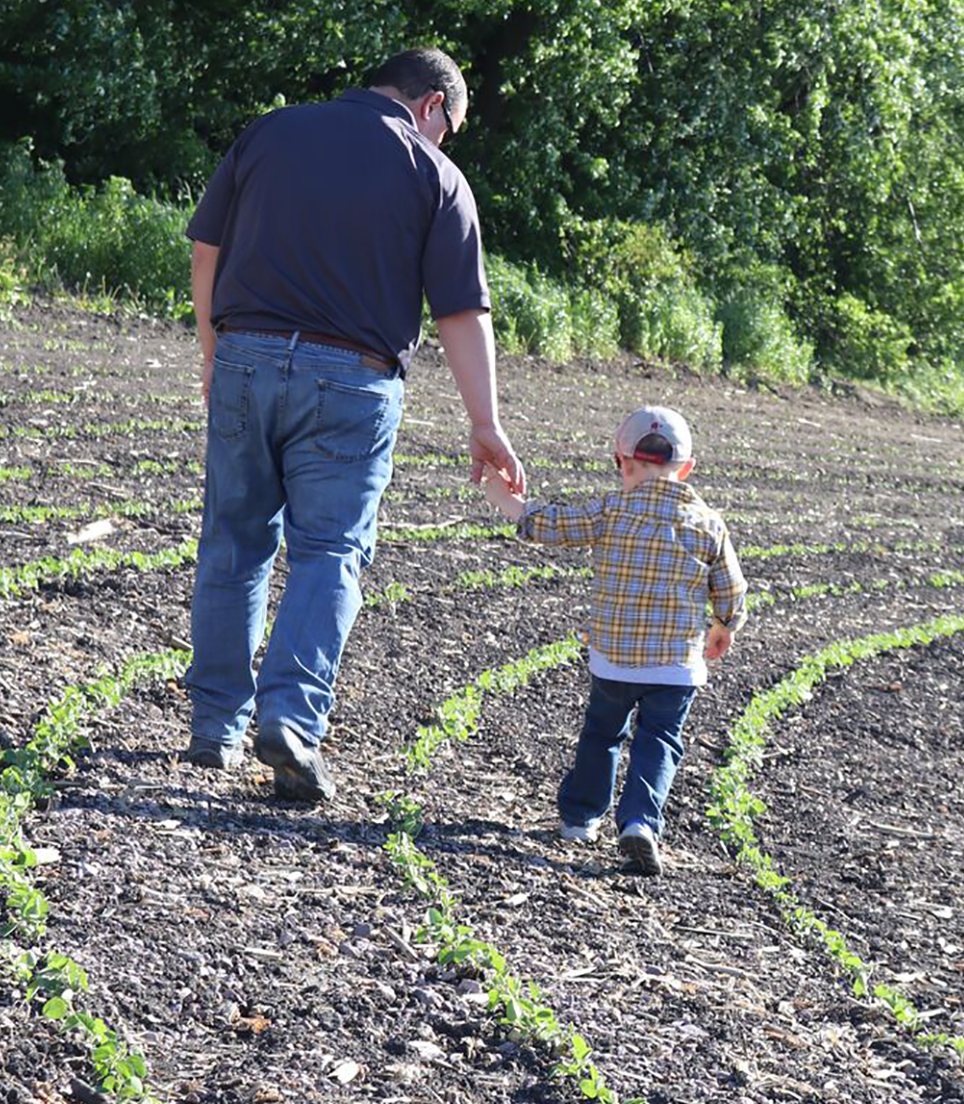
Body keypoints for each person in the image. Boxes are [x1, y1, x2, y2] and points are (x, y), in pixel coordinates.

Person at [183, 47, 525, 802]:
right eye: (453, 127)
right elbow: (461, 311)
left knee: (233, 538)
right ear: (433, 104)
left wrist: (215, 351)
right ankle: (291, 720)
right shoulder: (434, 174)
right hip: (352, 377)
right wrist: (485, 422)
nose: (448, 142)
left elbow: (207, 248)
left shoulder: (271, 132)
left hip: (244, 353)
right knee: (330, 550)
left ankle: (216, 727)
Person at [481, 405, 746, 875]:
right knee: (660, 739)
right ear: (686, 469)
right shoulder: (709, 524)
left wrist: (506, 499)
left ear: (621, 461)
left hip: (614, 660)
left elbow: (552, 525)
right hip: (675, 665)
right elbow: (730, 588)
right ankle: (641, 822)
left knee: (603, 733)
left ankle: (581, 817)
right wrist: (725, 623)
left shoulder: (610, 510)